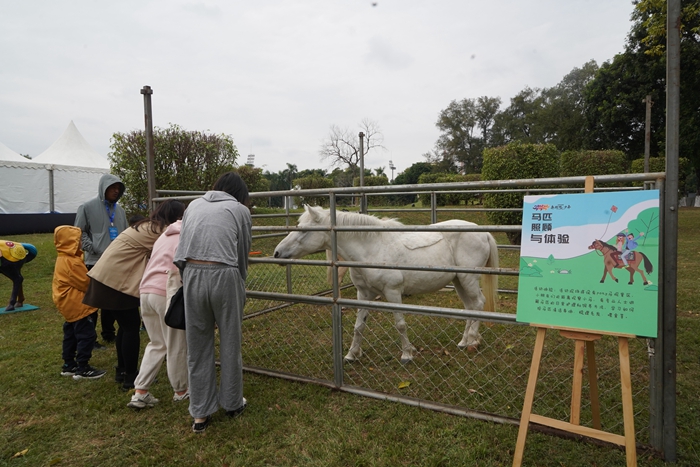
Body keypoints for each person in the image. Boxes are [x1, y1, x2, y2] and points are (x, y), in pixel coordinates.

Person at [174, 171, 252, 433]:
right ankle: (232, 403)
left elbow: (181, 249)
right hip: (225, 273)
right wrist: (239, 283)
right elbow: (242, 253)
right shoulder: (239, 209)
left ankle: (200, 414)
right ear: (239, 193)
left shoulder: (193, 205)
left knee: (197, 346)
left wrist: (189, 277)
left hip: (192, 273)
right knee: (230, 341)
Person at [83, 199, 186, 390]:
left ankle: (122, 371)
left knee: (125, 327)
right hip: (115, 281)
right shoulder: (158, 230)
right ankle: (130, 376)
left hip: (104, 278)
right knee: (130, 328)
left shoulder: (146, 225)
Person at [127, 218, 189, 409]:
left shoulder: (163, 236)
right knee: (175, 343)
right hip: (165, 292)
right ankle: (181, 391)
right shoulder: (185, 236)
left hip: (145, 292)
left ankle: (140, 391)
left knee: (156, 343)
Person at [74, 174, 128, 347]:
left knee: (111, 299)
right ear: (103, 188)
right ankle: (90, 337)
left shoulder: (120, 211)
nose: (116, 191)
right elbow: (78, 232)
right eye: (112, 188)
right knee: (94, 301)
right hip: (95, 262)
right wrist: (94, 248)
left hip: (115, 263)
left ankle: (108, 332)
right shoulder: (87, 207)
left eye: (118, 188)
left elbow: (126, 233)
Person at [52, 225, 106, 380]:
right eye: (78, 240)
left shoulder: (63, 258)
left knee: (71, 334)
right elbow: (85, 283)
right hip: (77, 304)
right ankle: (83, 367)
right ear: (71, 242)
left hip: (67, 304)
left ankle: (69, 364)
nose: (81, 243)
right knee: (86, 335)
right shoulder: (73, 262)